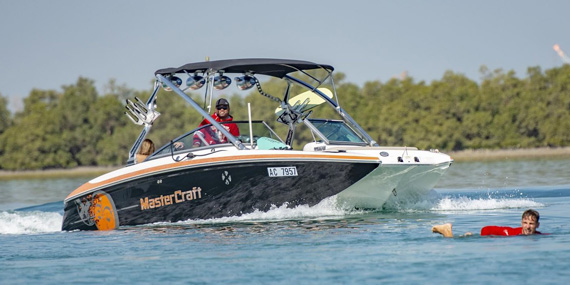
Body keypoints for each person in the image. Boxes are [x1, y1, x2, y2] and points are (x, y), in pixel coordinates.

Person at [432, 209, 541, 238]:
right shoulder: (511, 232)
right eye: (525, 223)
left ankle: (443, 230)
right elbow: (486, 229)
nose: (527, 227)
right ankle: (446, 230)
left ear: (537, 225)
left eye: (531, 223)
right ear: (521, 223)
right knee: (453, 242)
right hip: (486, 239)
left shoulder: (539, 235)